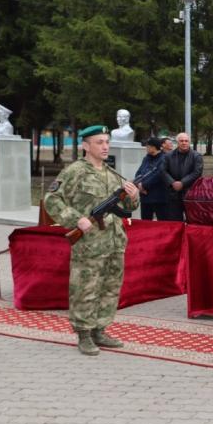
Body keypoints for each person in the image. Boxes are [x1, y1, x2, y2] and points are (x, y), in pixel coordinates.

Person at [43, 125, 140, 356]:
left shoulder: (112, 173)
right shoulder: (75, 171)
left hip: (115, 242)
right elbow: (51, 199)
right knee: (85, 288)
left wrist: (134, 196)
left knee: (109, 288)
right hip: (89, 244)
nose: (105, 146)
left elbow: (128, 208)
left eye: (107, 141)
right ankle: (84, 334)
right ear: (85, 145)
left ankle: (100, 329)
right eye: (99, 142)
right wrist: (76, 220)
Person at [161, 132, 203, 221]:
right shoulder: (168, 156)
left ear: (189, 142)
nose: (184, 143)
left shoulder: (196, 156)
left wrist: (182, 183)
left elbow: (197, 172)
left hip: (190, 194)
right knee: (175, 222)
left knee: (192, 221)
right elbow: (162, 171)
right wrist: (172, 183)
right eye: (181, 141)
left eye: (186, 141)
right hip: (173, 194)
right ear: (177, 142)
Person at [135, 137, 168, 220]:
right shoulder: (146, 158)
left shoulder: (164, 159)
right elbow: (139, 173)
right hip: (145, 197)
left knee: (162, 223)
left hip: (158, 197)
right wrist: (139, 185)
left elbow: (159, 175)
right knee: (145, 223)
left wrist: (144, 185)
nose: (146, 148)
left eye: (148, 146)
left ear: (153, 147)